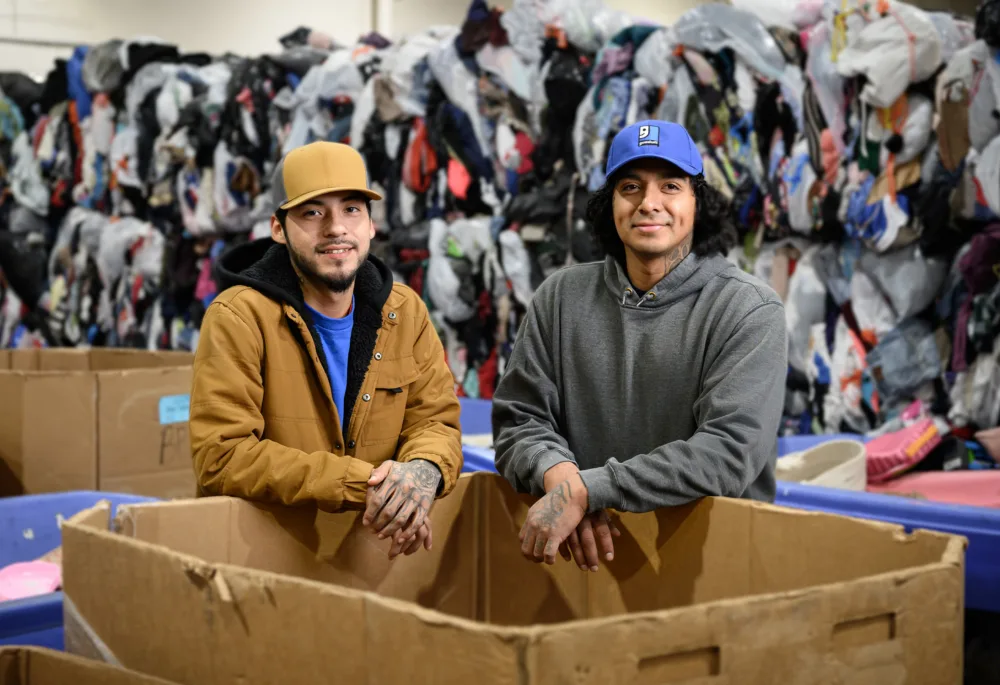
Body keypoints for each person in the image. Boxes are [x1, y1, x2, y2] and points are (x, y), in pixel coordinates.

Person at [492, 120, 787, 571]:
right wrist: (562, 479)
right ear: (610, 204)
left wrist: (589, 490)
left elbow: (728, 453)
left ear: (697, 202)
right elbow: (519, 420)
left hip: (714, 571)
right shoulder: (560, 298)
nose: (649, 204)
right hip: (588, 565)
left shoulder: (748, 309)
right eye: (631, 186)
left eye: (670, 186)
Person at [190, 141, 463, 560]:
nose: (336, 228)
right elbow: (222, 455)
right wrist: (365, 484)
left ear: (371, 224)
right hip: (266, 560)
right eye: (312, 212)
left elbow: (436, 422)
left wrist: (421, 473)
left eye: (352, 209)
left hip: (374, 558)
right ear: (278, 228)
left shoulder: (404, 311)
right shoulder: (238, 317)